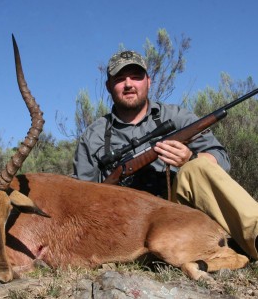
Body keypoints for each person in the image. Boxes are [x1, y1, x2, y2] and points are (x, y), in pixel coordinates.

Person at [73, 50, 258, 260]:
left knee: (197, 167)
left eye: (136, 77)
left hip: (176, 211)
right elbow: (80, 196)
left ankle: (255, 235)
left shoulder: (176, 117)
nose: (128, 84)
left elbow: (221, 159)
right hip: (122, 224)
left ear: (148, 81)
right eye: (120, 79)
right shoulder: (93, 135)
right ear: (108, 86)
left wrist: (189, 159)